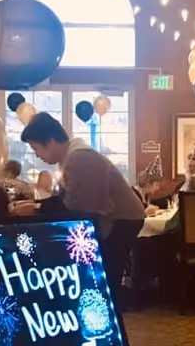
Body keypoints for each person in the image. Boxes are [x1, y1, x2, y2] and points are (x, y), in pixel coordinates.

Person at [21, 112, 145, 296]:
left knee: (105, 276)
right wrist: (35, 204)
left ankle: (107, 312)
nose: (37, 155)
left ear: (51, 141)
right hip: (115, 216)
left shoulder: (79, 157)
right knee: (101, 274)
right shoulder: (70, 157)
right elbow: (68, 200)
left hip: (121, 219)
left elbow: (78, 207)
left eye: (36, 148)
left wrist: (36, 208)